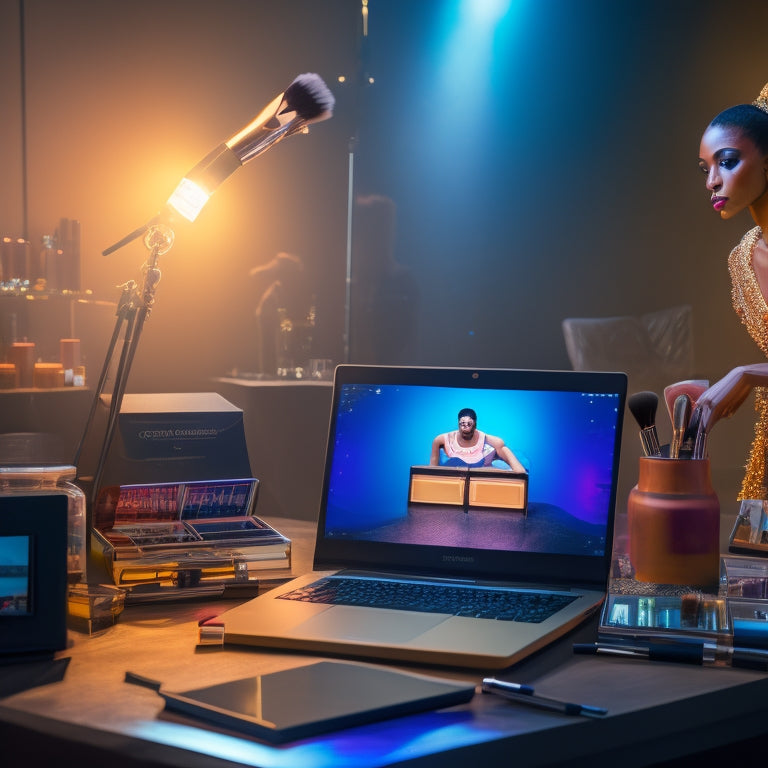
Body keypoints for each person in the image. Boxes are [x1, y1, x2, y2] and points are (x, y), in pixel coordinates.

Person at [695, 82, 768, 499]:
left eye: (727, 162)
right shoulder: (741, 260)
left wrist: (749, 373)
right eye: (705, 168)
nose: (712, 181)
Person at [430, 407, 526, 473]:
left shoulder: (494, 442)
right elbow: (431, 472)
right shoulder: (441, 440)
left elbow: (520, 471)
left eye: (469, 425)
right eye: (462, 424)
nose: (466, 430)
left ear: (475, 425)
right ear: (458, 424)